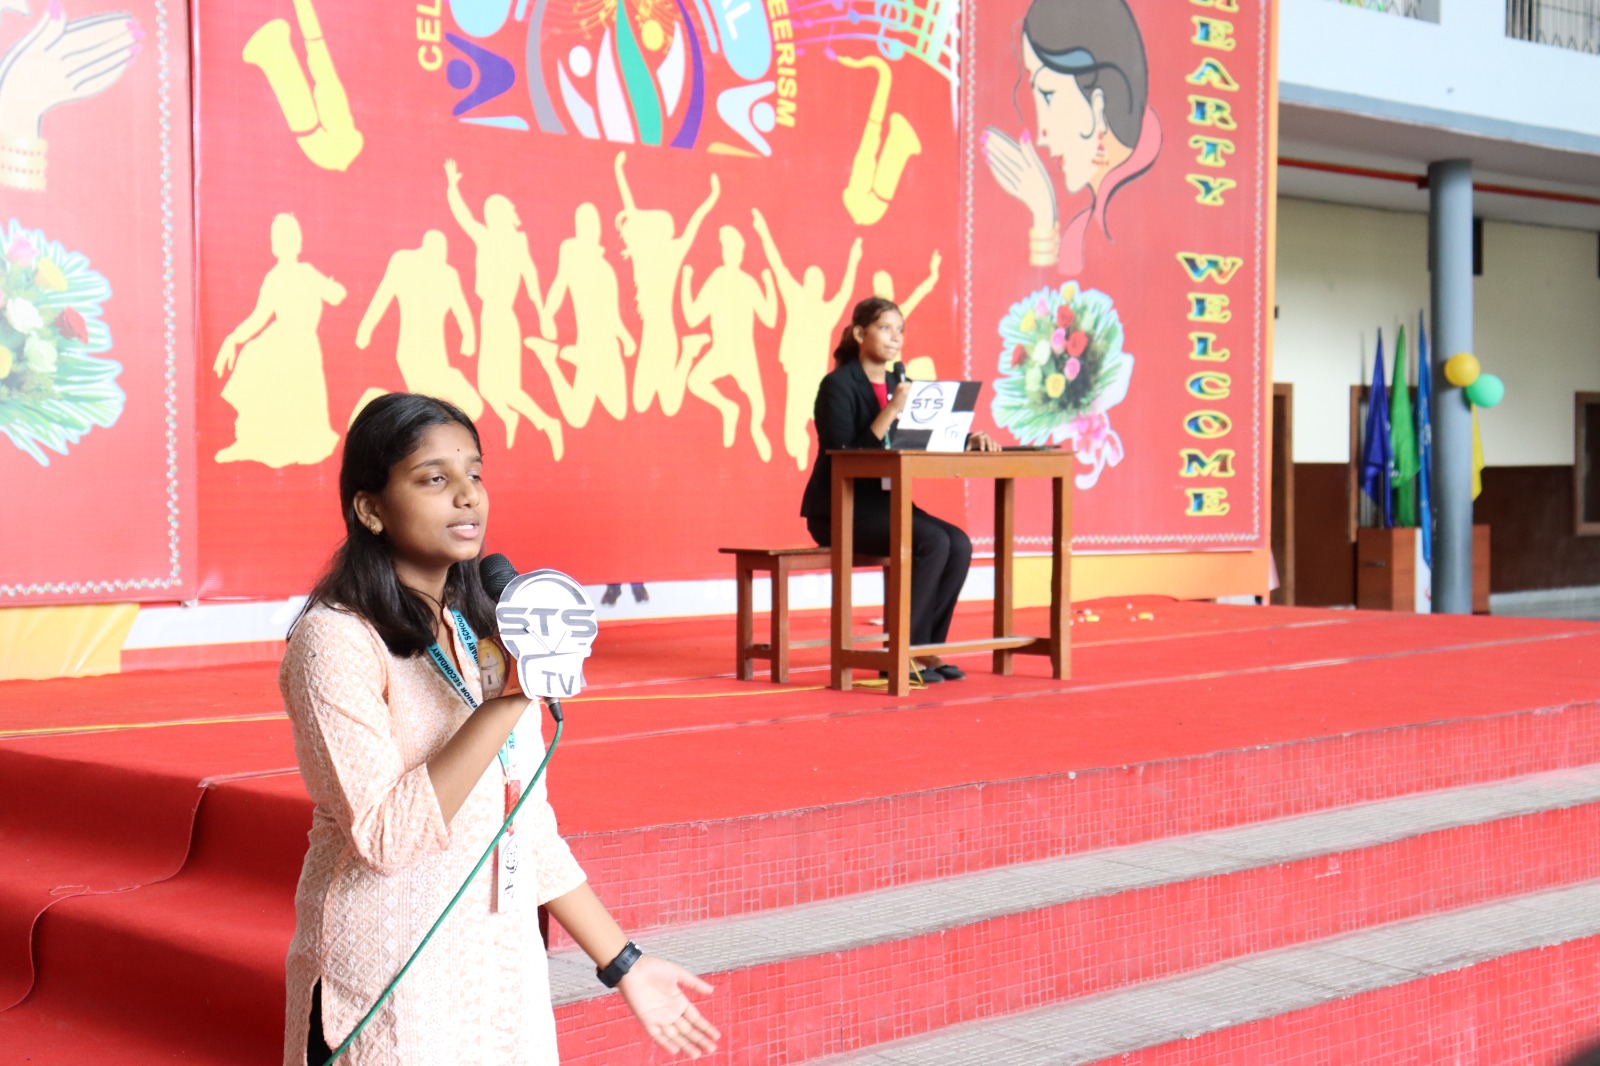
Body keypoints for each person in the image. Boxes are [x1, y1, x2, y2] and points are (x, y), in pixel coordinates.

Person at [280, 393, 718, 1064]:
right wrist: (509, 698)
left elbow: (526, 828)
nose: (467, 496)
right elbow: (386, 838)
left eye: (475, 474)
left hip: (499, 981)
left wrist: (624, 963)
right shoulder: (335, 640)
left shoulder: (480, 634)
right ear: (370, 509)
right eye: (434, 478)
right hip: (389, 988)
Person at [798, 298, 997, 685]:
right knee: (933, 541)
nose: (895, 337)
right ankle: (901, 654)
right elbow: (844, 453)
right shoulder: (837, 385)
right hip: (841, 509)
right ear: (860, 334)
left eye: (900, 330)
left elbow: (926, 437)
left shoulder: (899, 385)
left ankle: (923, 649)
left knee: (958, 543)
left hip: (886, 504)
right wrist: (892, 409)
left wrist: (967, 439)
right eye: (885, 328)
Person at [980, 0, 1161, 277]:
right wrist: (1043, 211)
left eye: (1048, 95)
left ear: (1098, 104)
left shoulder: (1131, 218)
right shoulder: (1087, 225)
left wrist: (1044, 219)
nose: (1041, 135)